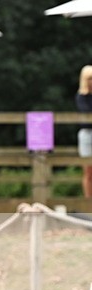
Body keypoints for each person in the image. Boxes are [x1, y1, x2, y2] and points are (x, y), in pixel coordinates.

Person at [76, 65, 92, 198]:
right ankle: (88, 201)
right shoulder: (81, 97)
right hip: (87, 134)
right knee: (88, 171)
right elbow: (86, 115)